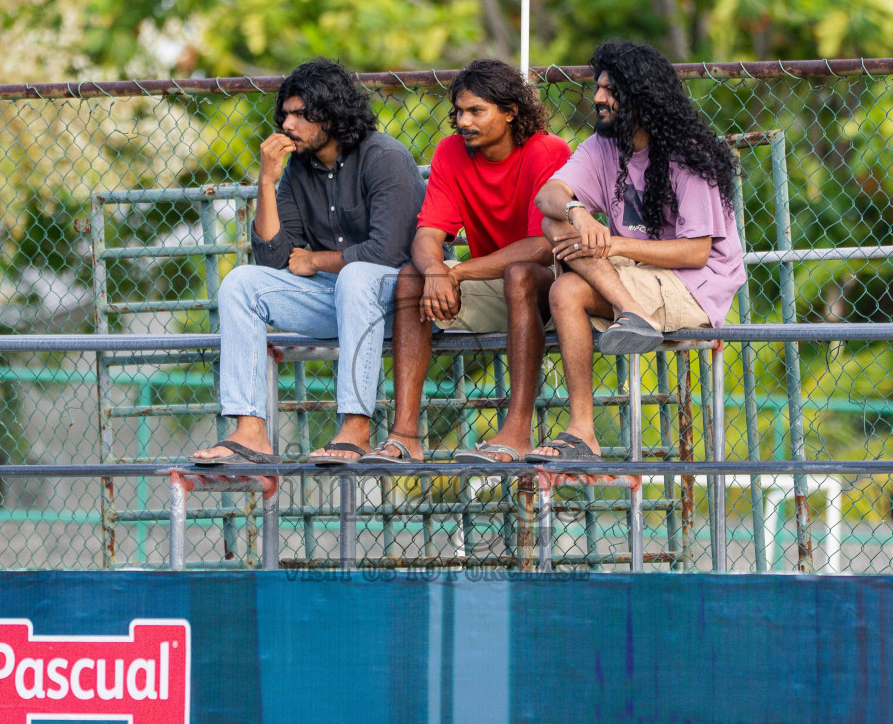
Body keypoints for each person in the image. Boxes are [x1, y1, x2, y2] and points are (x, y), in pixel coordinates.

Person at [192, 57, 424, 467]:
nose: (288, 125)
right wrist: (266, 179)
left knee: (355, 276)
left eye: (301, 115)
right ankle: (250, 431)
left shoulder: (384, 156)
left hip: (399, 303)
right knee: (242, 283)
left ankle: (356, 428)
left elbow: (388, 252)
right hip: (335, 300)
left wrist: (318, 259)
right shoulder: (297, 168)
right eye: (285, 115)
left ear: (332, 116)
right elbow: (274, 258)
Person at [528, 41, 744, 462]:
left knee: (565, 292)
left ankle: (581, 430)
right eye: (599, 87)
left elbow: (697, 252)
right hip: (634, 274)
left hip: (693, 284)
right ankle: (632, 317)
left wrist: (611, 241)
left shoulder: (688, 153)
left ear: (641, 97)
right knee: (553, 222)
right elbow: (549, 196)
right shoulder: (603, 145)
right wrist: (577, 212)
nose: (598, 98)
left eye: (610, 90)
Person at [363, 59, 572, 465]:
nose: (463, 121)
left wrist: (455, 271)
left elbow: (540, 248)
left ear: (511, 112)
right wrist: (435, 271)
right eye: (459, 111)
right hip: (492, 283)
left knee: (520, 274)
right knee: (410, 278)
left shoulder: (549, 150)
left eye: (476, 111)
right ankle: (406, 436)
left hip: (555, 284)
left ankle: (516, 433)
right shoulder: (450, 152)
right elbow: (427, 234)